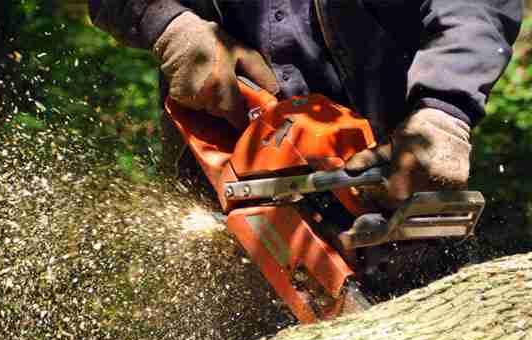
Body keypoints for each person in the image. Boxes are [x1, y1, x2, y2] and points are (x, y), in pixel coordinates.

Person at [88, 1, 522, 208]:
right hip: (233, 169)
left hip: (387, 160)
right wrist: (167, 23)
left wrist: (444, 110)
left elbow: (473, 7)